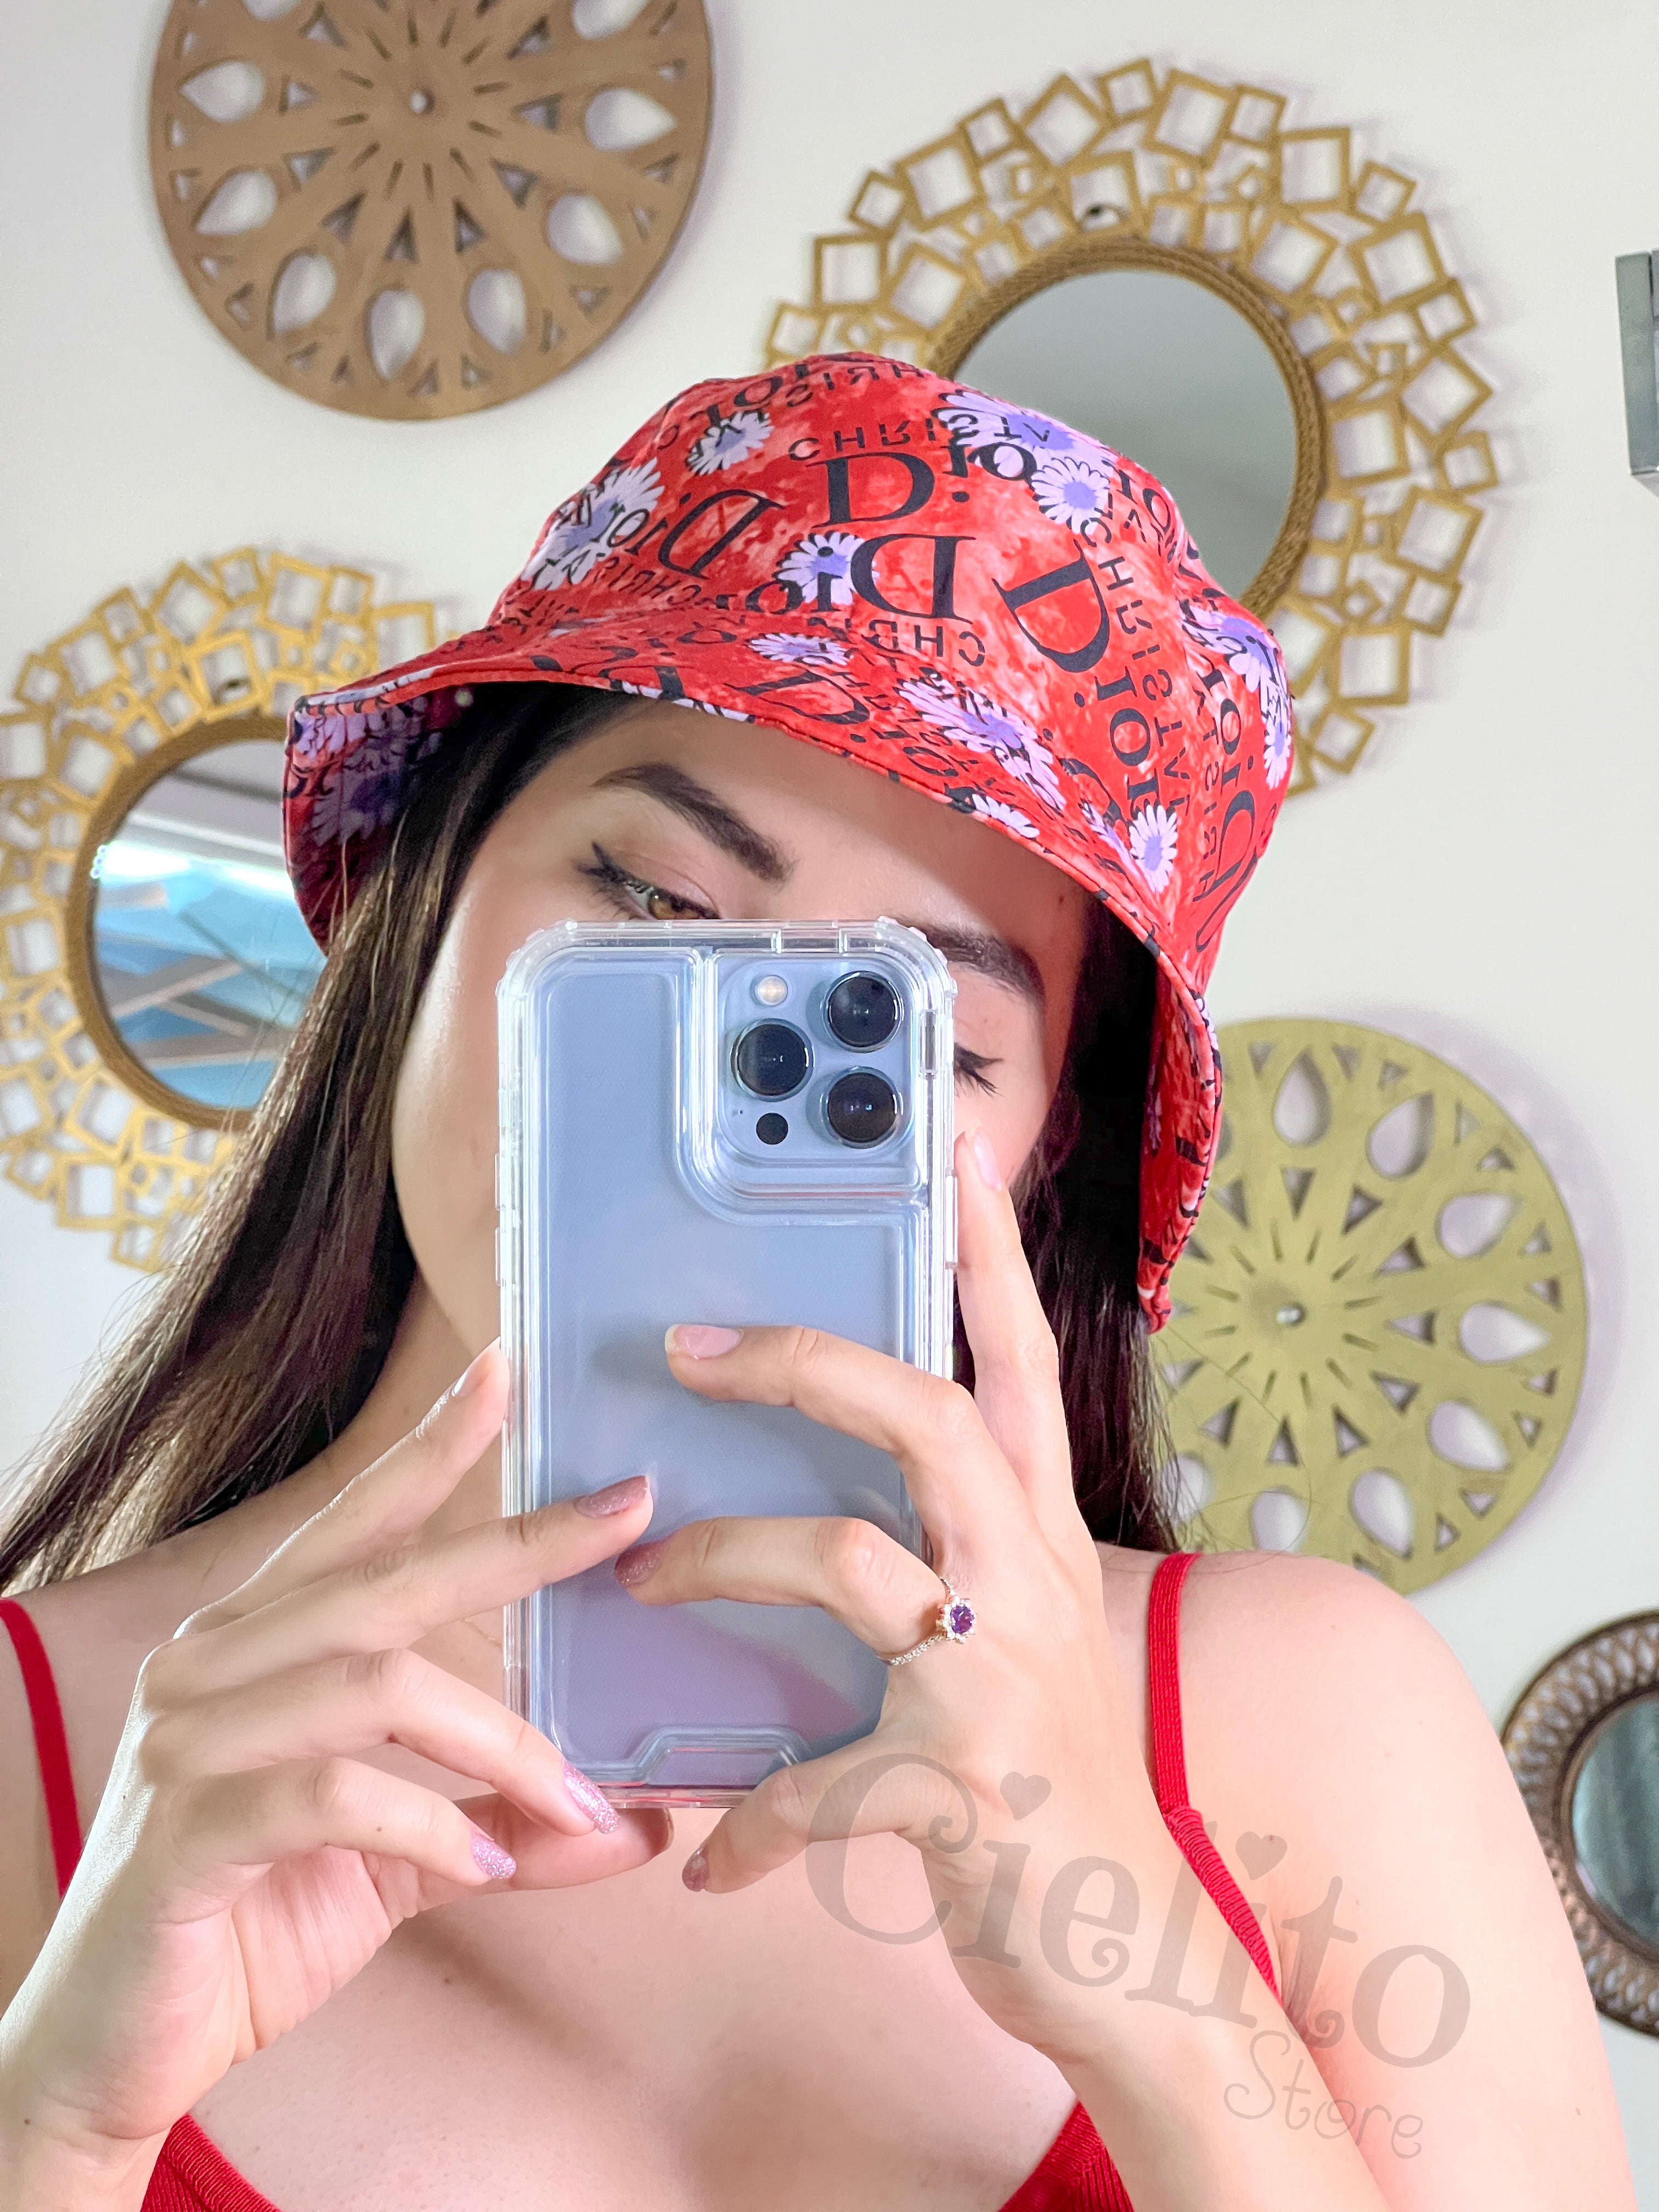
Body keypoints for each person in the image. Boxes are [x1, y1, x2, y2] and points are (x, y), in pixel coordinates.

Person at [0, 356, 1634, 2212]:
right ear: (414, 903)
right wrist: (57, 2129)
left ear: (1039, 1155)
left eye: (907, 1031)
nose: (726, 1057)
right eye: (654, 903)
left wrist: (1161, 2004)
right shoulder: (33, 1756)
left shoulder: (1311, 1719)